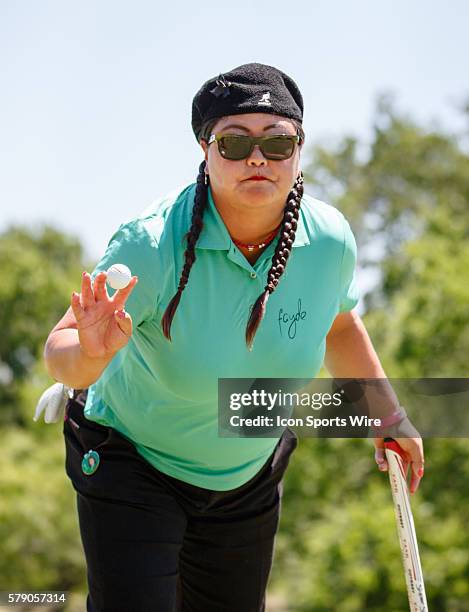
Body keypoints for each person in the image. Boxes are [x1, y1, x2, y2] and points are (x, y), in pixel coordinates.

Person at [43, 62, 425, 612]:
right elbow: (63, 356)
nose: (256, 158)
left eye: (277, 143)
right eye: (234, 141)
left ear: (299, 151)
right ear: (205, 149)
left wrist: (388, 417)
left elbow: (339, 323)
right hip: (133, 461)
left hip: (247, 475)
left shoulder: (330, 242)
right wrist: (92, 353)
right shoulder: (149, 246)